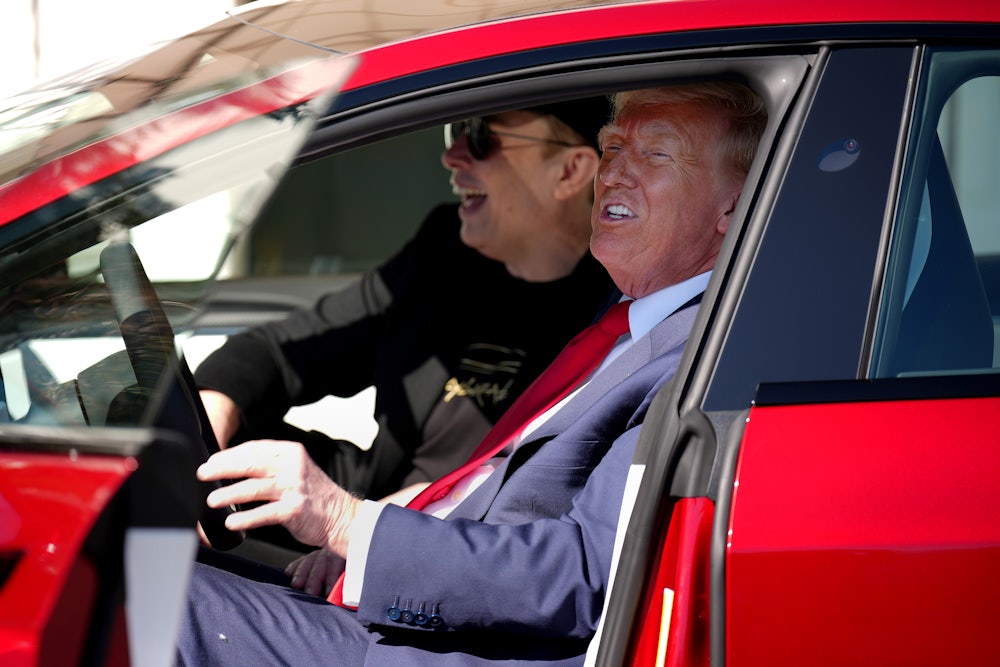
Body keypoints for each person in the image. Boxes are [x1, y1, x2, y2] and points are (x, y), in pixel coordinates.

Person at [177, 80, 768, 666]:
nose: (612, 174)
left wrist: (349, 522)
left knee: (149, 600)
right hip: (405, 575)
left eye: (656, 153)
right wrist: (373, 530)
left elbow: (584, 574)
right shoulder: (622, 317)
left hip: (449, 642)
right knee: (145, 565)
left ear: (733, 206)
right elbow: (290, 352)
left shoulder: (701, 355)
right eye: (613, 148)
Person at [195, 98, 617, 508]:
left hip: (456, 550)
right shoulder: (443, 252)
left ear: (570, 171)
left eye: (480, 135)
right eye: (456, 129)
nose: (452, 155)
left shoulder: (617, 305)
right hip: (364, 506)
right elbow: (286, 350)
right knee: (174, 429)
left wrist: (389, 522)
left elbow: (547, 496)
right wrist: (211, 414)